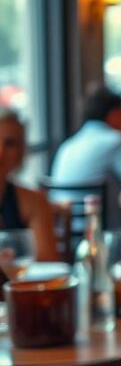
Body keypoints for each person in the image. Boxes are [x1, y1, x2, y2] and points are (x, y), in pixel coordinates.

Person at [49, 84, 121, 227]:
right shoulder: (116, 141)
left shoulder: (67, 146)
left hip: (66, 232)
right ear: (113, 114)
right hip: (101, 233)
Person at [0, 108, 57, 259]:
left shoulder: (35, 201)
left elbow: (47, 261)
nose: (1, 152)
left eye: (9, 143)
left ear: (21, 151)